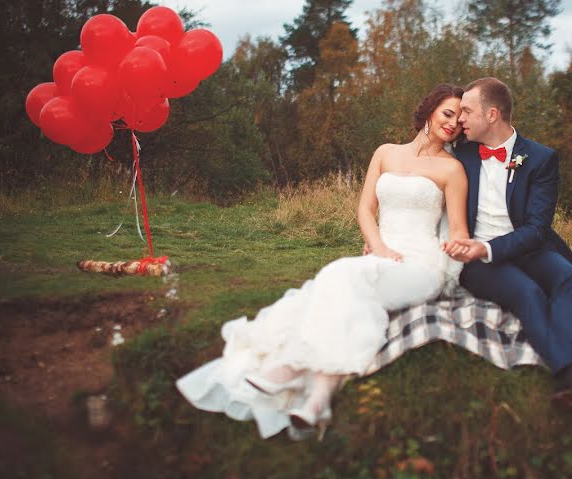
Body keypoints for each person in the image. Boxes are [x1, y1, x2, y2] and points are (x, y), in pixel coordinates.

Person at [177, 84, 469, 439]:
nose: (452, 123)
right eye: (447, 113)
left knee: (342, 277)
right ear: (429, 111)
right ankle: (318, 399)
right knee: (342, 283)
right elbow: (365, 208)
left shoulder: (452, 170)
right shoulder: (386, 152)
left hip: (420, 264)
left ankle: (290, 368)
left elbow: (457, 230)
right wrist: (377, 245)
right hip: (381, 253)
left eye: (459, 118)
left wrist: (467, 252)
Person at [444, 77, 572, 416]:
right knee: (528, 293)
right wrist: (480, 249)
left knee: (569, 277)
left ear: (493, 114)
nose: (460, 119)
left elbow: (537, 229)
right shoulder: (460, 153)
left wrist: (492, 248)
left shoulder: (541, 159)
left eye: (467, 111)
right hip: (477, 259)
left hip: (528, 248)